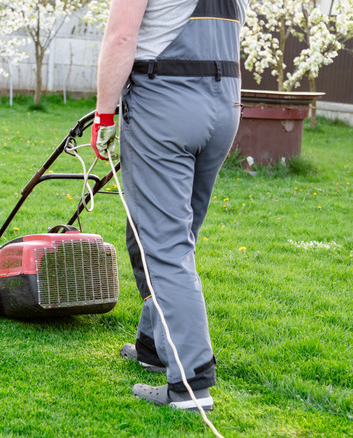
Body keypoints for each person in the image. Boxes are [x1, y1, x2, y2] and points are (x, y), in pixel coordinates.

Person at [91, 0, 249, 411]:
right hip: (225, 104)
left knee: (163, 244)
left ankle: (190, 383)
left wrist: (104, 116)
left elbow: (122, 36)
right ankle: (154, 347)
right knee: (174, 235)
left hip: (166, 102)